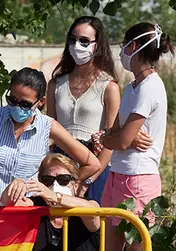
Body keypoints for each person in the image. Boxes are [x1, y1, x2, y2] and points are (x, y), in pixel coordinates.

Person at [90, 23, 172, 251]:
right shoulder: (133, 86)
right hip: (116, 175)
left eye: (125, 44)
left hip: (139, 180)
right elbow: (116, 133)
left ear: (136, 46)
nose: (121, 50)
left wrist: (113, 138)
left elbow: (120, 137)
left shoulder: (152, 86)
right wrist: (114, 137)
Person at [0, 67, 100, 206]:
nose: (17, 107)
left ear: (40, 102)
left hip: (26, 216)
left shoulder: (48, 126)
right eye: (13, 100)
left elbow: (92, 164)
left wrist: (63, 183)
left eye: (25, 104)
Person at [47, 16, 121, 202]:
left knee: (93, 225)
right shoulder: (56, 84)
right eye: (73, 39)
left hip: (95, 164)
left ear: (98, 45)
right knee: (60, 224)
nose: (77, 45)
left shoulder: (108, 86)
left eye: (84, 41)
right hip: (60, 163)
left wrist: (88, 179)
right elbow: (49, 129)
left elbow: (111, 140)